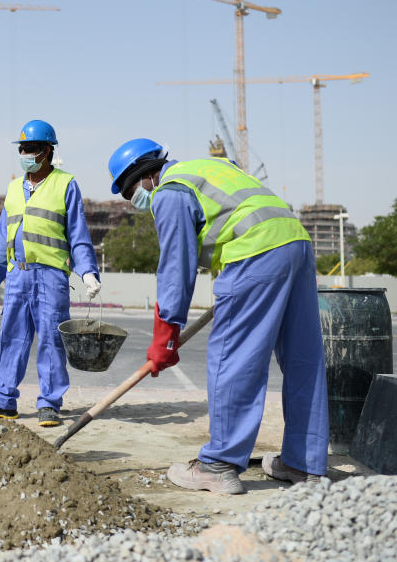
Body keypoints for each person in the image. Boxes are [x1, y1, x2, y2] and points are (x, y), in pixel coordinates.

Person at [107, 138, 329, 494]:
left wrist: (165, 336)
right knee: (304, 360)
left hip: (253, 251)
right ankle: (306, 464)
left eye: (130, 193)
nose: (136, 202)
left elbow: (176, 268)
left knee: (233, 357)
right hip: (295, 244)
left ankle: (217, 464)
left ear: (143, 177)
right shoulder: (210, 169)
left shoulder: (170, 190)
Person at [0, 120, 100, 428]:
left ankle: (49, 404)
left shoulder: (66, 184)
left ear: (48, 151)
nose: (25, 153)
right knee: (10, 337)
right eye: (22, 148)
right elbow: (4, 236)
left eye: (31, 149)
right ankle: (2, 401)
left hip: (51, 276)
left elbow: (78, 234)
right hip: (18, 276)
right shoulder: (14, 189)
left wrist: (88, 272)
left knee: (52, 339)